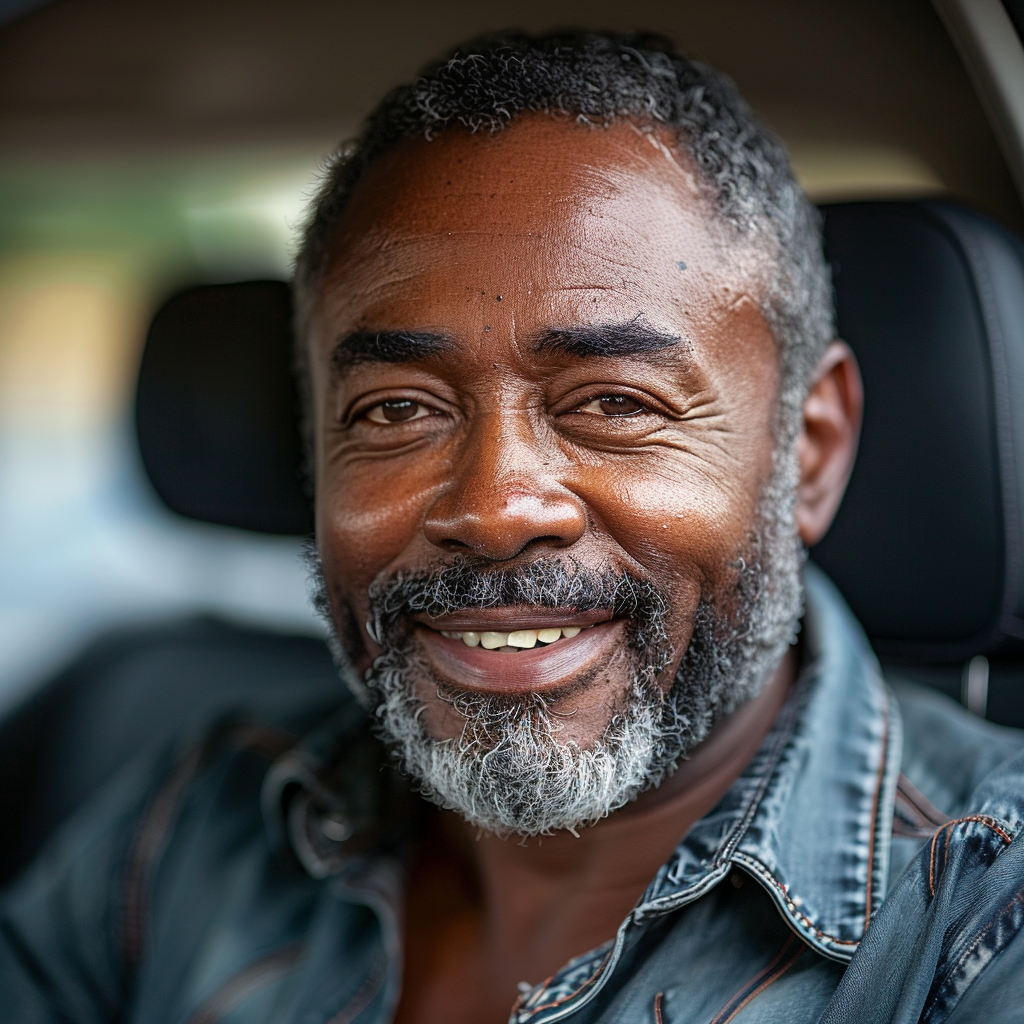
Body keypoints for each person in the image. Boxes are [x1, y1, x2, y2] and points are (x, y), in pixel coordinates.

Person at [3, 31, 1024, 1024]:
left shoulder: (985, 913)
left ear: (808, 448)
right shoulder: (200, 818)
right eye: (397, 409)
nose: (493, 509)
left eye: (613, 402)